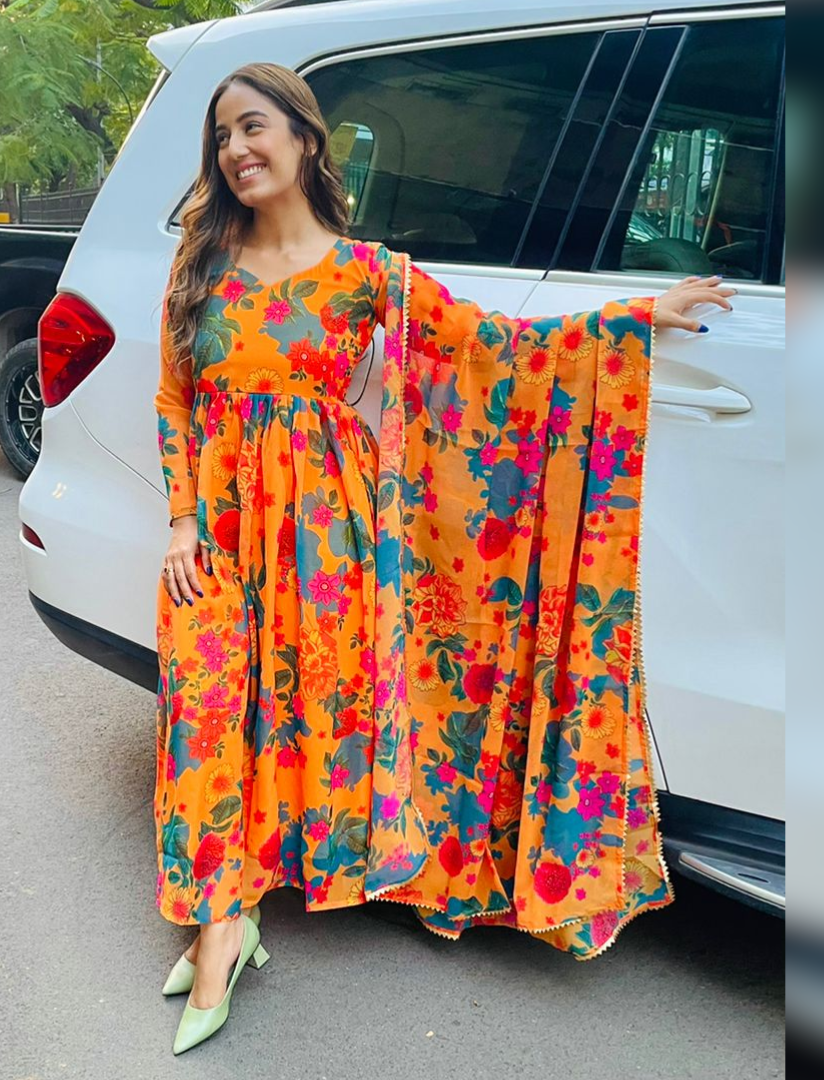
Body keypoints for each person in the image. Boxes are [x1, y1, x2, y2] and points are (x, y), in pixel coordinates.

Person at [153, 62, 735, 1054]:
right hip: (218, 538)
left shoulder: (369, 275)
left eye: (254, 127)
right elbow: (176, 398)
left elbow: (492, 348)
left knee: (285, 727)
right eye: (222, 137)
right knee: (207, 721)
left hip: (329, 545)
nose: (238, 150)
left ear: (304, 138)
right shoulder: (199, 265)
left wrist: (632, 318)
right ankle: (223, 922)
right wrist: (181, 521)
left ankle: (227, 922)